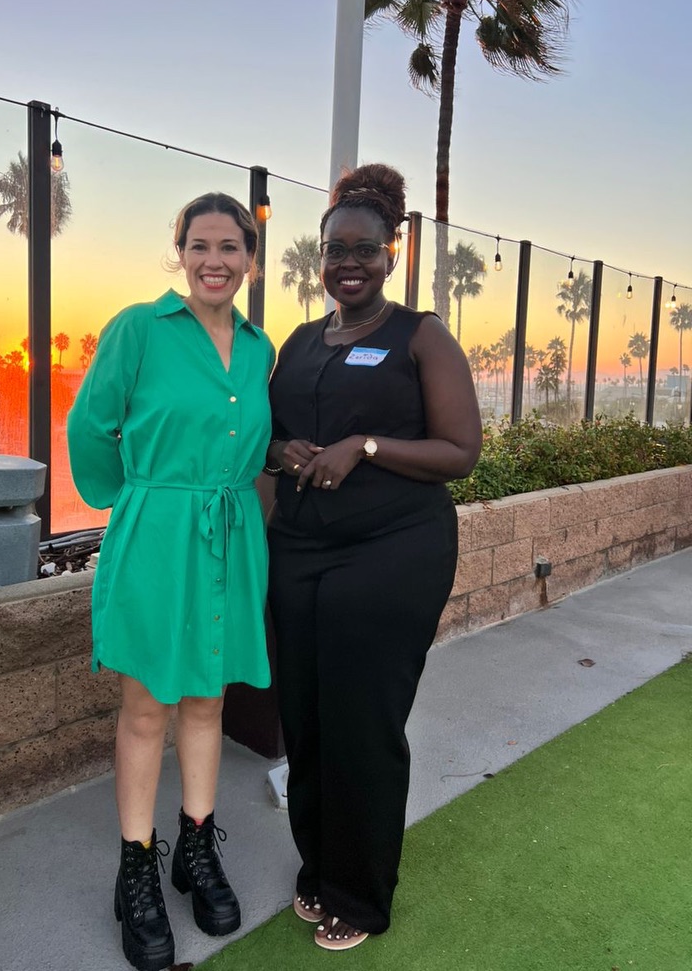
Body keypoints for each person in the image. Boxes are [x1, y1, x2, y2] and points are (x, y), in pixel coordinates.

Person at [263, 163, 482, 951]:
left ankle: (360, 891)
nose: (347, 263)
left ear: (393, 251)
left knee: (363, 722)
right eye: (333, 250)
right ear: (318, 257)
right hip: (299, 551)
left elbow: (461, 451)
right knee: (306, 716)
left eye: (364, 248)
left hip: (393, 552)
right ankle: (318, 865)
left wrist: (367, 445)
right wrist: (284, 447)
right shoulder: (297, 341)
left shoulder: (419, 334)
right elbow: (267, 431)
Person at [67, 192, 275, 971]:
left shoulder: (261, 348)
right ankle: (135, 868)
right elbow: (90, 426)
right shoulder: (138, 329)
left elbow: (253, 445)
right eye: (200, 245)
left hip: (231, 538)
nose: (214, 261)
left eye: (230, 247)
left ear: (250, 259)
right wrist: (138, 501)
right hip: (157, 535)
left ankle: (195, 845)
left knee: (208, 698)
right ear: (179, 252)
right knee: (148, 704)